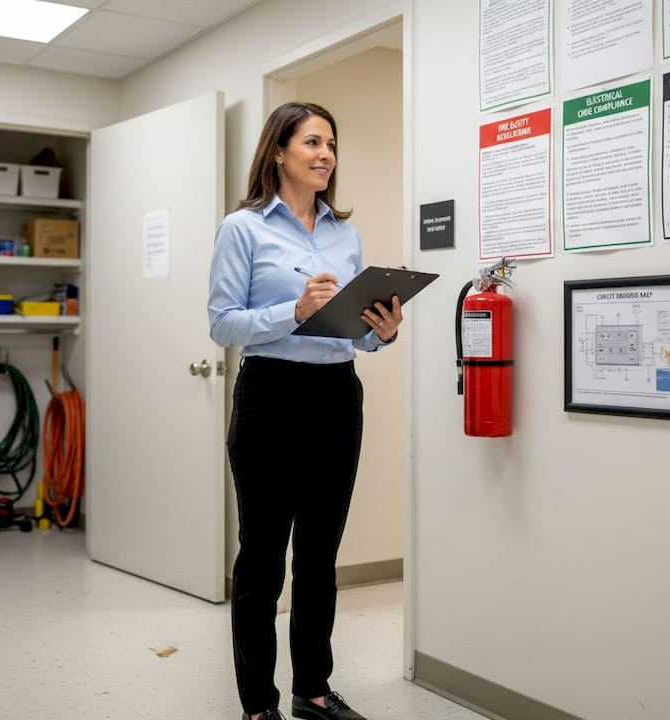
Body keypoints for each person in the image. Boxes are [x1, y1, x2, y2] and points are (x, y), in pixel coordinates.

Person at [207, 102, 402, 720]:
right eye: (313, 142)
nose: (326, 155)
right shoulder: (243, 228)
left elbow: (355, 335)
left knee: (319, 559)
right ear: (279, 152)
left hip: (336, 398)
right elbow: (221, 324)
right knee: (262, 561)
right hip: (271, 396)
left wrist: (383, 331)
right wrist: (290, 312)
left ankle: (312, 692)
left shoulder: (345, 233)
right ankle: (258, 705)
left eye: (332, 144)